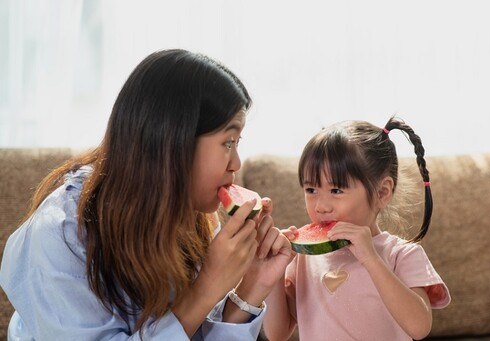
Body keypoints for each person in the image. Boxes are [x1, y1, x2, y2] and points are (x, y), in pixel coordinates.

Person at [0, 49, 292, 340]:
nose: (236, 164)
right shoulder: (58, 234)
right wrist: (206, 288)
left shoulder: (190, 219)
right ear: (173, 140)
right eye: (228, 142)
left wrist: (251, 288)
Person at [263, 117, 451, 341]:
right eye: (311, 189)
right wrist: (274, 274)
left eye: (336, 190)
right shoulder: (304, 259)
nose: (321, 206)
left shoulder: (402, 255)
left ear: (382, 193)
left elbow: (419, 327)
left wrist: (371, 259)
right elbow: (277, 334)